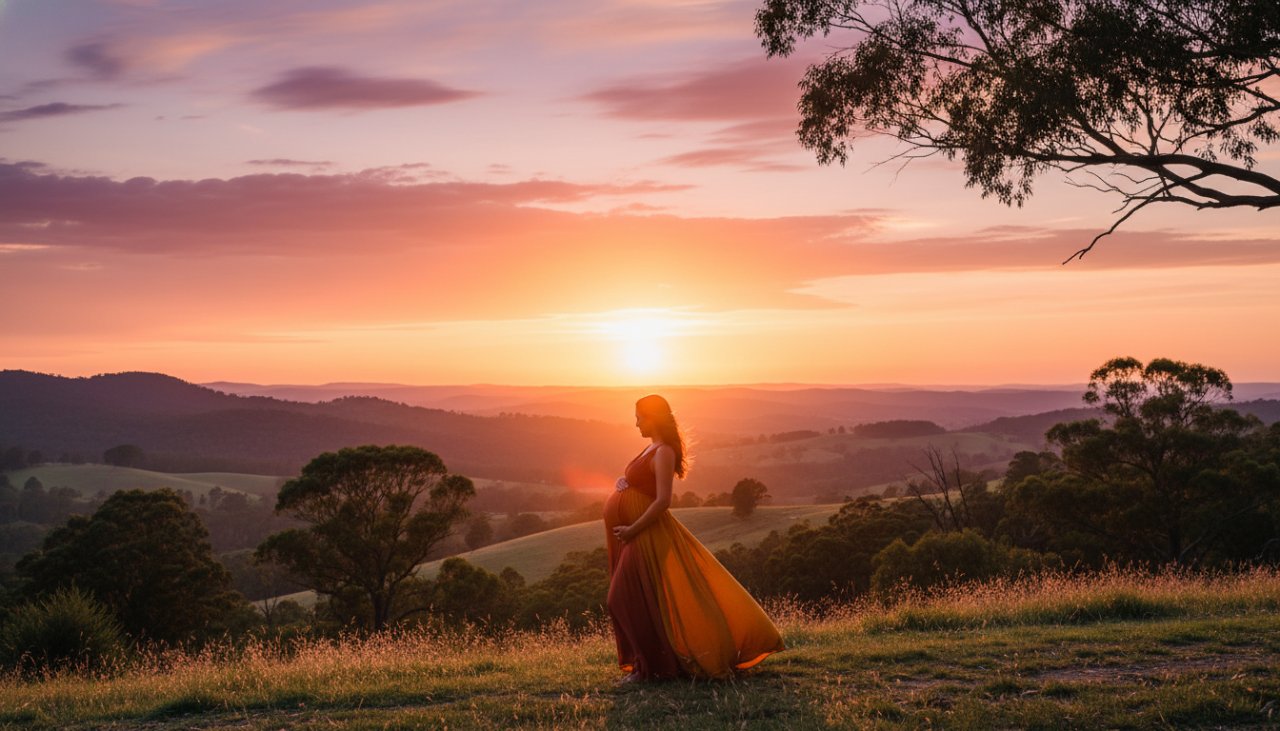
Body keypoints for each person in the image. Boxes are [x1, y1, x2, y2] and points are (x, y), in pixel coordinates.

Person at [604, 394, 784, 683]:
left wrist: (633, 529)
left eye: (639, 417)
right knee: (640, 599)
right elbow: (642, 483)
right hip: (635, 534)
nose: (636, 422)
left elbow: (663, 500)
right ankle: (650, 667)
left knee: (621, 599)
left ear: (654, 418)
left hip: (647, 534)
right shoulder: (650, 448)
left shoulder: (664, 452)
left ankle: (650, 668)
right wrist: (623, 482)